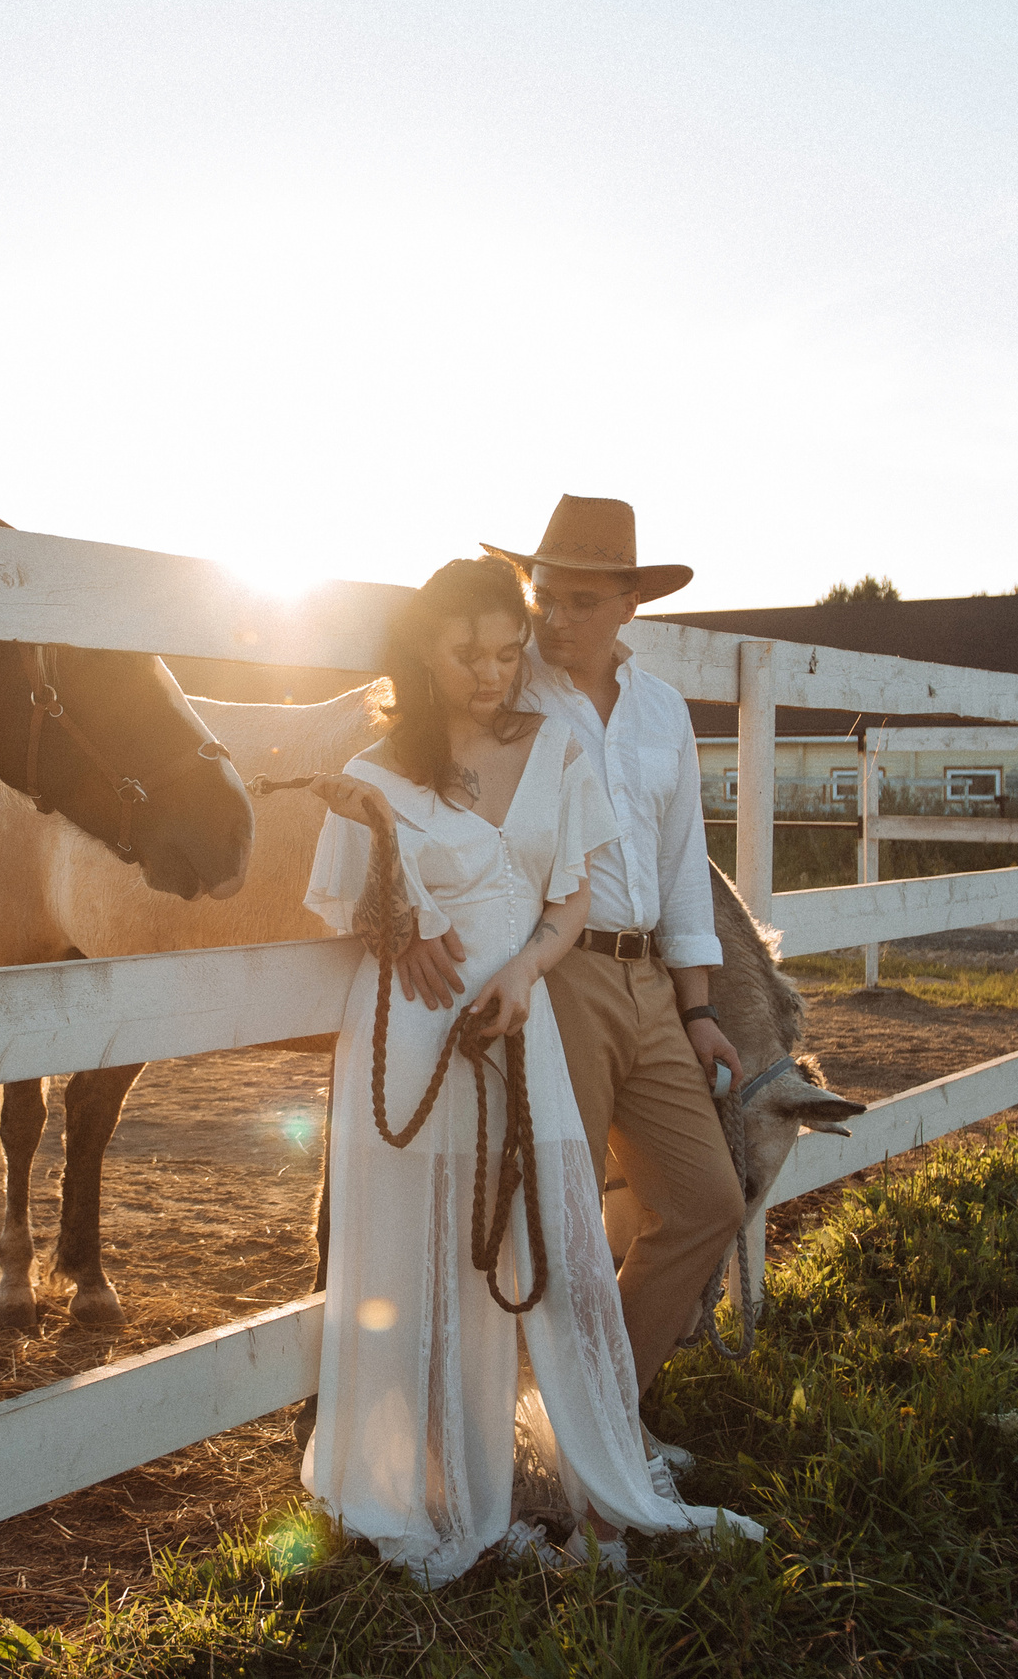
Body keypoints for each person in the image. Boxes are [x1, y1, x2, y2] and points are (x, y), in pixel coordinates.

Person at [300, 556, 761, 1586]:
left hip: (523, 1024)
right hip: (413, 1035)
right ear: (425, 647)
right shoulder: (374, 774)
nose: (493, 671)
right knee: (425, 1264)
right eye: (471, 652)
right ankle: (430, 1491)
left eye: (507, 653)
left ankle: (578, 1465)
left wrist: (523, 971)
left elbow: (568, 898)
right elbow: (337, 904)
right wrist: (392, 923)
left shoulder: (553, 747)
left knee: (547, 1241)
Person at [382, 495, 745, 1407]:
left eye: (584, 601)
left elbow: (682, 864)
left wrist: (698, 1008)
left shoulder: (663, 711)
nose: (557, 619)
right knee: (554, 1213)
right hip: (555, 971)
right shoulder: (507, 687)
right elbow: (407, 782)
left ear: (631, 603)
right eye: (547, 597)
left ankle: (593, 1418)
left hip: (651, 982)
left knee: (707, 1204)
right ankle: (530, 1432)